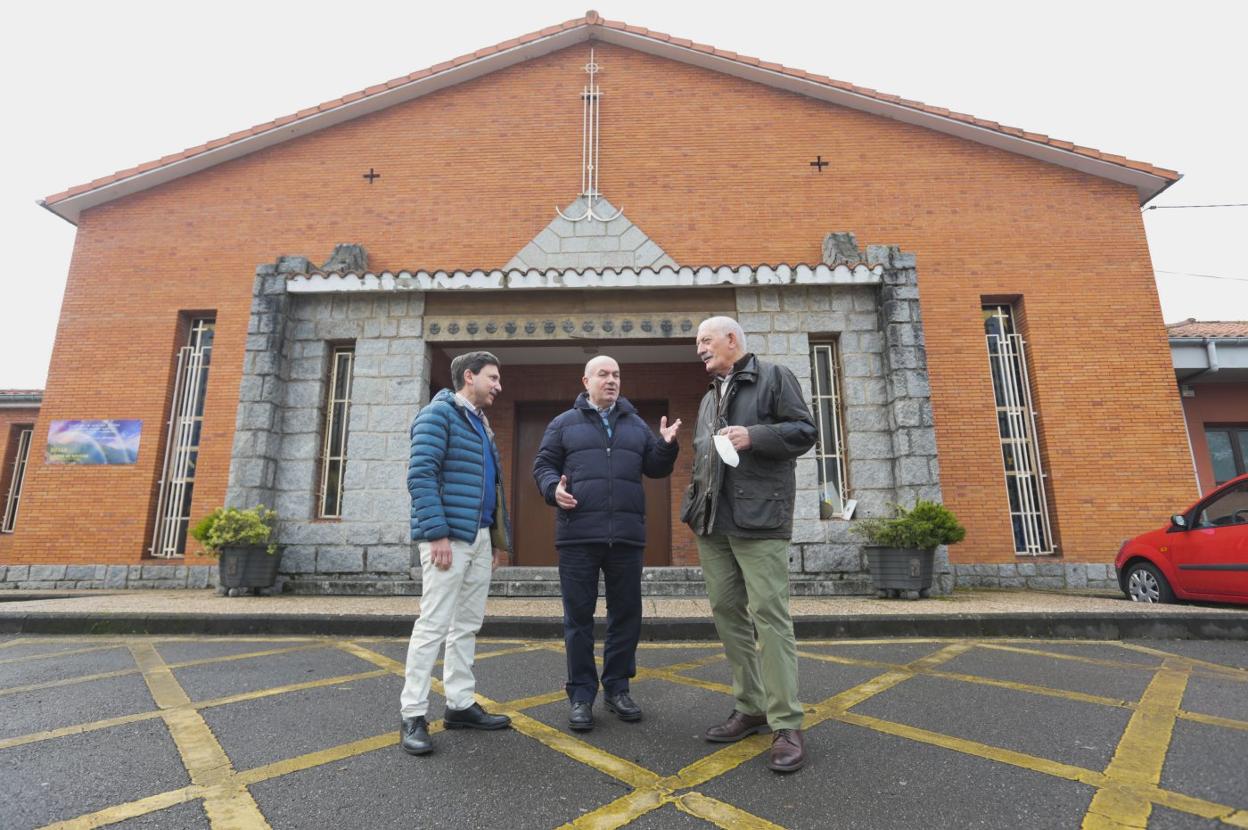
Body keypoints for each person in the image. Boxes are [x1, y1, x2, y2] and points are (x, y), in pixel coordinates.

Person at [681, 316, 817, 772]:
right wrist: (694, 506)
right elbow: (705, 457)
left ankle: (786, 722)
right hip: (714, 523)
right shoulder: (707, 398)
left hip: (760, 520)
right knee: (727, 615)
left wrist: (753, 435)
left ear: (731, 339)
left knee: (770, 619)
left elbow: (805, 432)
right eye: (697, 343)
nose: (699, 348)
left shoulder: (775, 377)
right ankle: (752, 706)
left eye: (705, 340)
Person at [533, 355, 681, 731]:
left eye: (616, 374)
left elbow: (656, 468)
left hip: (627, 537)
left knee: (626, 615)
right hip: (578, 535)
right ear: (586, 380)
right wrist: (553, 489)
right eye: (603, 374)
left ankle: (618, 688)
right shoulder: (563, 424)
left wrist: (665, 446)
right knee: (578, 619)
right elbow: (543, 466)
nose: (611, 380)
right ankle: (581, 695)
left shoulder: (634, 424)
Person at [399, 351, 512, 756]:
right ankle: (412, 713)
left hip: (478, 538)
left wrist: (496, 541)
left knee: (466, 624)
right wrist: (437, 534)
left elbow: (492, 488)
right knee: (433, 624)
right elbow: (421, 475)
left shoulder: (480, 423)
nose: (499, 386)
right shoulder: (438, 415)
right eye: (493, 378)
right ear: (469, 377)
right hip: (448, 538)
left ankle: (460, 704)